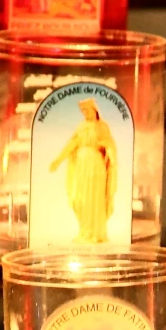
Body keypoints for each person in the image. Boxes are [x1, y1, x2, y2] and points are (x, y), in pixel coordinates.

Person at [47, 97, 120, 243]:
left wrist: (111, 156)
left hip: (95, 164)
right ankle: (84, 231)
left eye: (87, 110)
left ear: (94, 110)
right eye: (83, 111)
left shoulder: (102, 126)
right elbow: (71, 144)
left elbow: (109, 145)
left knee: (94, 198)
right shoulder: (81, 127)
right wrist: (58, 160)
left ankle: (95, 233)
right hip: (81, 165)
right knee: (80, 198)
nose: (85, 113)